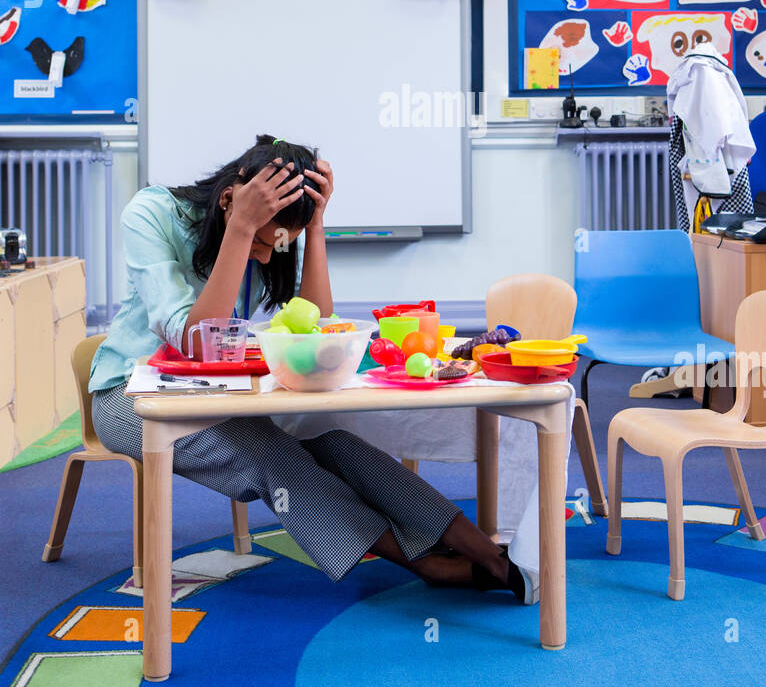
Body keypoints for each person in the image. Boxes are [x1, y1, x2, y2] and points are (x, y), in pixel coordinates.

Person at [90, 135, 536, 601]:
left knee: (337, 443)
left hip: (225, 390)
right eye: (262, 241)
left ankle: (488, 554)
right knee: (271, 455)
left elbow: (319, 327)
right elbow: (200, 340)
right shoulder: (151, 214)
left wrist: (316, 227)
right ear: (229, 201)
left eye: (275, 243)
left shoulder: (280, 229)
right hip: (131, 397)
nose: (266, 256)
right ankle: (428, 565)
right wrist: (242, 230)